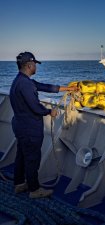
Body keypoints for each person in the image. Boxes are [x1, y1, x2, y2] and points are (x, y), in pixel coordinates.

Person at [10, 52, 78, 198]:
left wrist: (67, 89)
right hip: (29, 128)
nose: (36, 67)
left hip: (20, 125)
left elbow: (44, 87)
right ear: (29, 65)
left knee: (22, 155)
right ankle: (35, 190)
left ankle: (19, 184)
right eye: (35, 64)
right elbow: (35, 107)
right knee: (32, 158)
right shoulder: (25, 84)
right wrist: (49, 112)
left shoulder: (21, 80)